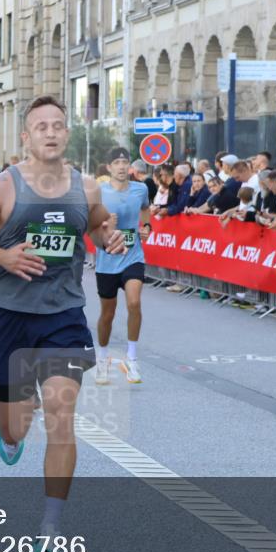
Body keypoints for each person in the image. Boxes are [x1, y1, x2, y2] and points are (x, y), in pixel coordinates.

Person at [0, 95, 124, 552]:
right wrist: (3, 256)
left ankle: (49, 529)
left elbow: (97, 225)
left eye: (58, 125)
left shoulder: (87, 188)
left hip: (64, 316)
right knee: (14, 427)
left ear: (67, 135)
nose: (50, 132)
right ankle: (10, 434)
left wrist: (108, 235)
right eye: (40, 126)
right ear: (25, 138)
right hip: (10, 317)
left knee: (62, 420)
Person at [94, 147, 150, 385]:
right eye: (115, 162)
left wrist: (146, 227)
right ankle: (103, 359)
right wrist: (106, 224)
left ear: (129, 167)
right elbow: (90, 223)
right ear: (108, 168)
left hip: (132, 255)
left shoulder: (141, 188)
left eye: (124, 162)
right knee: (108, 314)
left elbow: (145, 209)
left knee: (134, 302)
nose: (120, 166)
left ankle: (131, 358)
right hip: (107, 259)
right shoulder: (98, 192)